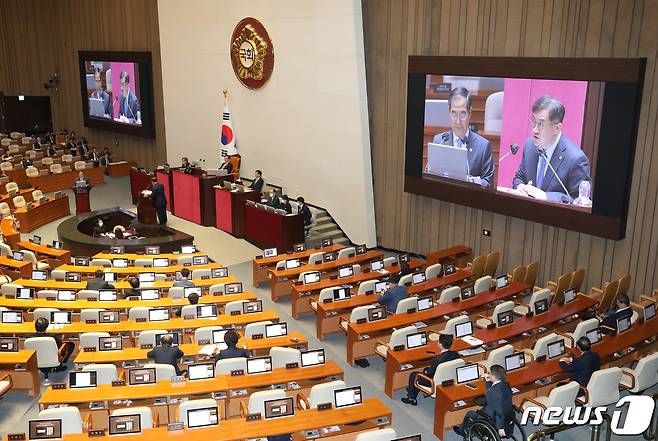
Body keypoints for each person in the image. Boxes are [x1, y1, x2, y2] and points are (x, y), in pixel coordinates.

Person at [512, 95, 592, 203]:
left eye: (541, 124)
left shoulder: (576, 159)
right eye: (533, 121)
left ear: (557, 128)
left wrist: (547, 197)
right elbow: (519, 177)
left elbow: (581, 201)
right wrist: (520, 186)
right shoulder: (529, 145)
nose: (535, 129)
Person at [430, 87, 494, 187]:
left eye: (462, 114)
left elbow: (488, 183)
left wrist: (469, 180)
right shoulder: (439, 140)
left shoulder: (483, 146)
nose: (458, 121)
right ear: (449, 111)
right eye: (454, 113)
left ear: (470, 113)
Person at [453, 365, 515, 438]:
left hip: (492, 417)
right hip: (508, 413)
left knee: (470, 414)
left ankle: (463, 431)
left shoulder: (494, 392)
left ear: (494, 376)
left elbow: (499, 411)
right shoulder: (505, 385)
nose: (488, 374)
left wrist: (500, 428)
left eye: (489, 373)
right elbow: (493, 388)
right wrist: (487, 379)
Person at [402, 333, 459, 405]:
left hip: (434, 382)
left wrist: (427, 371)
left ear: (440, 344)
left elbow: (429, 373)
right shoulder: (456, 354)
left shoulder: (438, 360)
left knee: (413, 375)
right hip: (448, 378)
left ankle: (411, 398)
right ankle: (413, 389)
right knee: (425, 369)